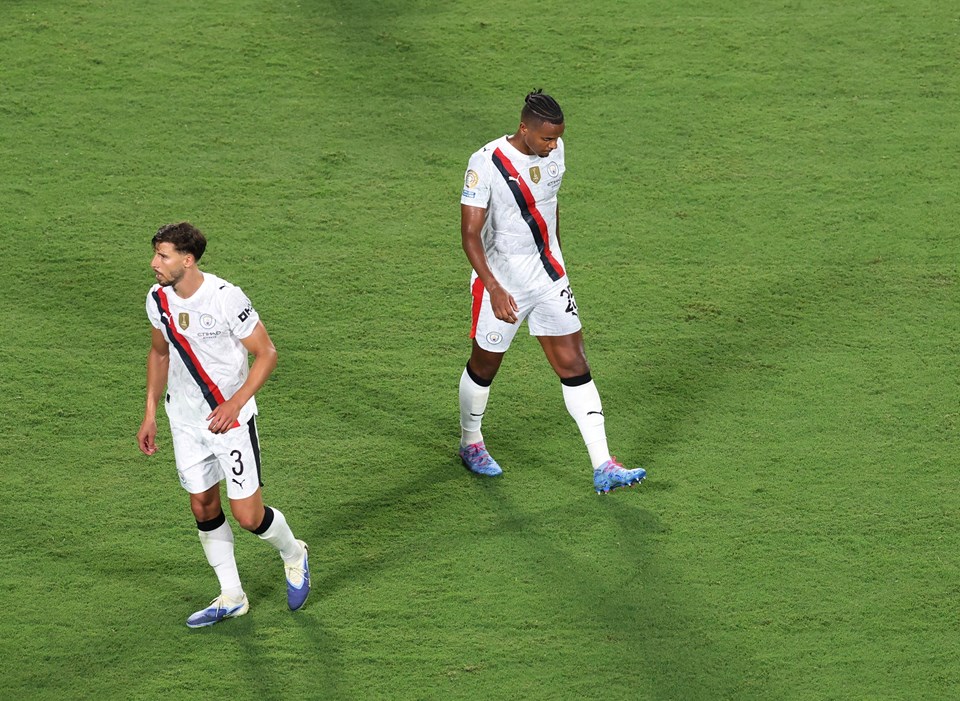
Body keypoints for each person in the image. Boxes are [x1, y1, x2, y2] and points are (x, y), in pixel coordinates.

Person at [457, 90, 647, 494]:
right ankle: (471, 442)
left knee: (575, 363)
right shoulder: (486, 162)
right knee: (485, 365)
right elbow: (470, 235)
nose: (553, 146)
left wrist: (557, 260)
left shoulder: (555, 151)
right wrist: (493, 287)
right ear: (524, 129)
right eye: (546, 138)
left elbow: (549, 203)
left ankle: (604, 464)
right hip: (503, 280)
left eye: (558, 138)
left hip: (548, 277)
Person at [136, 222, 310, 627]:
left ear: (187, 260)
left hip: (230, 422)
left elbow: (266, 353)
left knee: (249, 517)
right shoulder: (157, 299)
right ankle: (232, 595)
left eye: (163, 255)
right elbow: (159, 353)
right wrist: (150, 412)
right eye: (155, 254)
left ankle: (294, 553)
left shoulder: (225, 298)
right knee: (202, 505)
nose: (154, 263)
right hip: (185, 420)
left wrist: (235, 403)